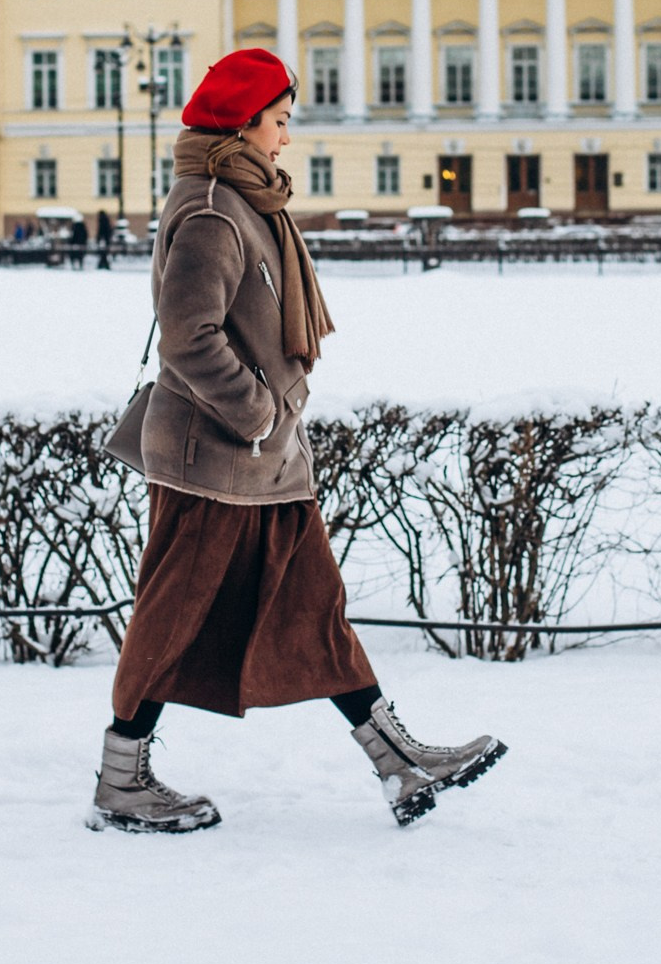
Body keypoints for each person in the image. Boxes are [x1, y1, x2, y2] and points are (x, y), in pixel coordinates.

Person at [89, 47, 505, 834]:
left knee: (318, 607)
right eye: (278, 123)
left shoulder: (247, 201)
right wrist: (254, 414)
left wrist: (271, 427)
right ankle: (121, 780)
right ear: (242, 126)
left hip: (263, 460)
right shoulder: (213, 208)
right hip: (212, 459)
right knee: (171, 614)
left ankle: (398, 760)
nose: (285, 139)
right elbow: (188, 336)